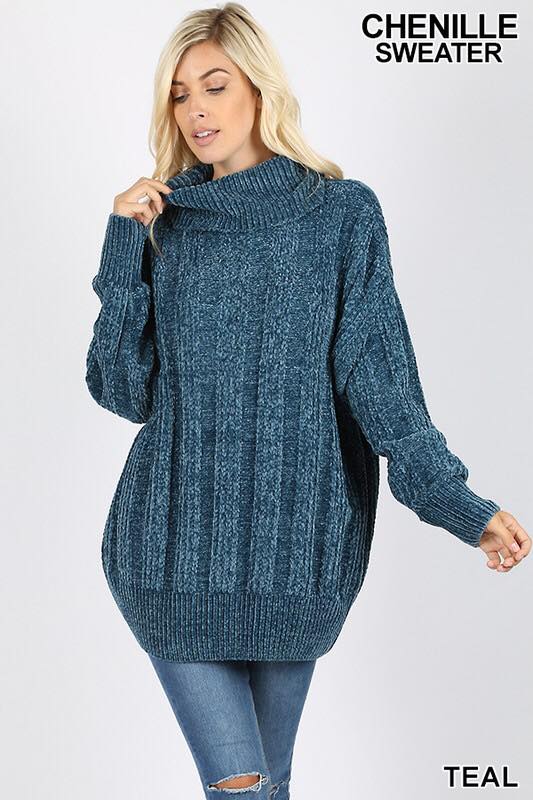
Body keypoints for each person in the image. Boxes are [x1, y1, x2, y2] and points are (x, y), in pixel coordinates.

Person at [84, 3, 530, 797]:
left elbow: (381, 384)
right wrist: (123, 246)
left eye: (214, 86)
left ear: (259, 88)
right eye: (179, 95)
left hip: (299, 553)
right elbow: (123, 392)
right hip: (167, 551)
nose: (194, 111)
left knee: (272, 785)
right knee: (244, 788)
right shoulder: (165, 224)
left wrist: (460, 506)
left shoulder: (340, 214)